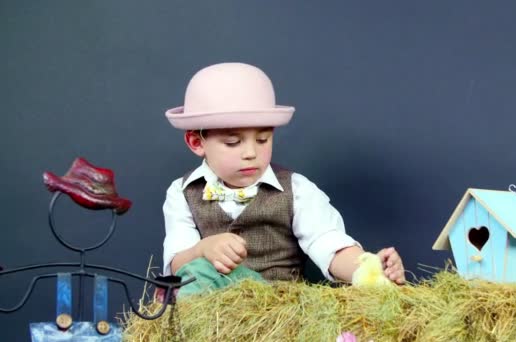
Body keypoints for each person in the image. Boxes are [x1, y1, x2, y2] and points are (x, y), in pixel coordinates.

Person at [162, 62, 405, 293]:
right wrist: (202, 250)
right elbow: (177, 264)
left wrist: (368, 271)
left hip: (277, 309)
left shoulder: (297, 189)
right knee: (197, 271)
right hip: (212, 311)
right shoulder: (182, 192)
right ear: (196, 142)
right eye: (233, 142)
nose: (251, 153)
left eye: (262, 140)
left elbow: (328, 243)